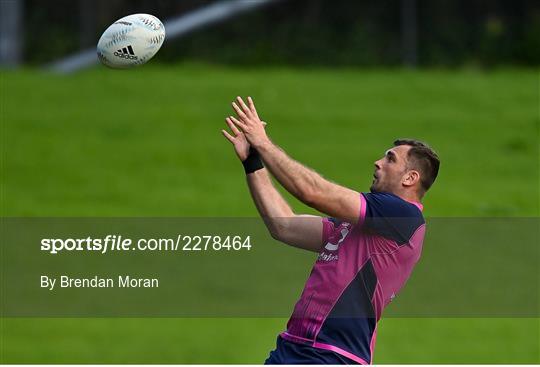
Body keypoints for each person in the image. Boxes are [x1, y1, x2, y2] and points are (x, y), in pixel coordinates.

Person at [222, 96, 440, 364]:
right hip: (293, 347)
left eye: (390, 160)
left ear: (410, 178)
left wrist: (264, 142)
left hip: (334, 355)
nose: (378, 163)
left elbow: (311, 192)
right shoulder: (366, 222)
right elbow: (284, 225)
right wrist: (253, 162)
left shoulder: (401, 216)